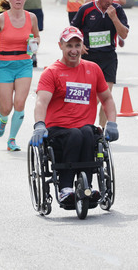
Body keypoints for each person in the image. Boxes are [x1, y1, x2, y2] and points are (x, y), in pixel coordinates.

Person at [30, 26, 119, 204]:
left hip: (84, 127)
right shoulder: (52, 72)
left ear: (82, 46)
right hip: (58, 129)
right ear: (61, 46)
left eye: (77, 45)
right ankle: (65, 188)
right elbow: (41, 101)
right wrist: (39, 124)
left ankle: (87, 186)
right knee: (76, 134)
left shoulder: (93, 69)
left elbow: (107, 98)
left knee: (87, 133)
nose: (74, 50)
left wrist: (112, 123)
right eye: (69, 46)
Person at [0, 0, 40, 152]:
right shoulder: (1, 19)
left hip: (24, 64)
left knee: (20, 103)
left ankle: (12, 140)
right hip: (5, 65)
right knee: (7, 107)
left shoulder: (32, 18)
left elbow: (37, 36)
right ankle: (2, 117)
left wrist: (34, 43)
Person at [71, 0, 129, 127]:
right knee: (88, 96)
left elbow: (124, 33)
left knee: (106, 96)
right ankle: (81, 123)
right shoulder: (86, 9)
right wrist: (80, 44)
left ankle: (101, 132)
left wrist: (114, 18)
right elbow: (73, 30)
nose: (110, 1)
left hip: (108, 57)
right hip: (89, 58)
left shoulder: (117, 10)